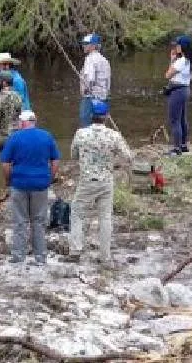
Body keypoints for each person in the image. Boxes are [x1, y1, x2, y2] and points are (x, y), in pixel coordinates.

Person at [67, 100, 132, 265]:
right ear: (106, 116)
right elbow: (128, 156)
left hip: (87, 180)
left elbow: (73, 155)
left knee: (77, 212)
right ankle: (105, 257)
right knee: (105, 218)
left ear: (91, 116)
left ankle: (75, 250)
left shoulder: (81, 133)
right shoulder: (114, 135)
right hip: (106, 181)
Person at [0, 110, 60, 264]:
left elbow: (5, 164)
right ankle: (40, 257)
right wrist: (50, 178)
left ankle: (18, 256)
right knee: (39, 221)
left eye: (20, 122)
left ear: (23, 122)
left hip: (19, 184)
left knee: (19, 221)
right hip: (40, 184)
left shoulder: (14, 137)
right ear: (34, 121)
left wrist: (8, 181)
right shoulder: (47, 136)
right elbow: (55, 161)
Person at [163, 35, 192, 156]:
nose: (176, 47)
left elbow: (167, 75)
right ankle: (183, 145)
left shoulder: (181, 61)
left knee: (174, 120)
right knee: (182, 119)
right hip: (185, 90)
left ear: (183, 47)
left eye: (178, 45)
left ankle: (176, 148)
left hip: (177, 91)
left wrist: (172, 60)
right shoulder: (190, 60)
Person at [79, 33, 111, 128]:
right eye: (83, 43)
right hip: (103, 99)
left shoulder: (90, 59)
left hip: (91, 98)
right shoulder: (104, 60)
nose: (83, 46)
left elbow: (90, 79)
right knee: (101, 126)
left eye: (86, 44)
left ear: (93, 46)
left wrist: (85, 90)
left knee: (86, 126)